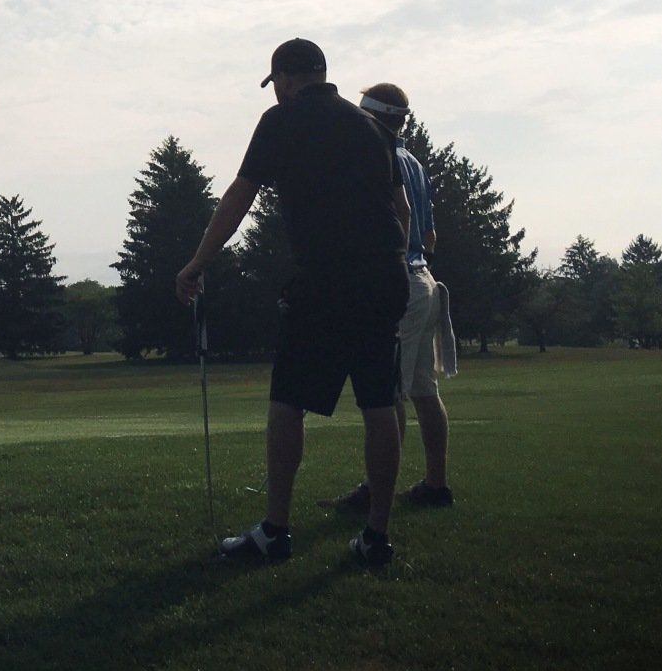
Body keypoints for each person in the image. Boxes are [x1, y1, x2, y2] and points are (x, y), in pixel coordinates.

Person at [176, 38, 409, 567]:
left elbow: (240, 194)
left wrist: (197, 263)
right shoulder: (372, 128)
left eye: (276, 82)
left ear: (284, 77)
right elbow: (400, 211)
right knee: (379, 403)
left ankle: (276, 531)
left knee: (287, 404)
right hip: (385, 275)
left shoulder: (280, 120)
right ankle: (377, 537)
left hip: (329, 279)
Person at [322, 83, 457, 513]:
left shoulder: (374, 156)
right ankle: (435, 485)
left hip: (398, 281)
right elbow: (429, 232)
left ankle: (376, 492)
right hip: (425, 280)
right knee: (423, 390)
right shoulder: (413, 162)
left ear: (371, 115)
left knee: (387, 393)